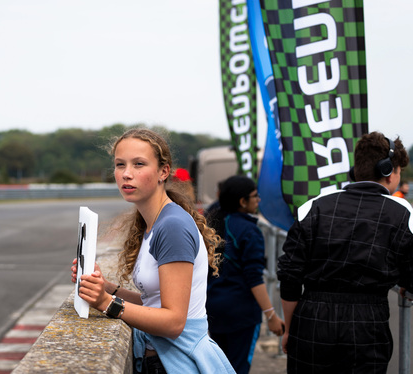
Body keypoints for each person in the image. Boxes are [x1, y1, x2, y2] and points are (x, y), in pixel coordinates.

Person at [71, 128, 236, 374]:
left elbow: (174, 322)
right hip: (161, 359)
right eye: (120, 165)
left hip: (175, 363)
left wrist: (106, 302)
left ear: (163, 171)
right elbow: (155, 302)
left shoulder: (172, 226)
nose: (126, 174)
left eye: (139, 164)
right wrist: (106, 288)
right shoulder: (155, 222)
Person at [277, 131, 413, 373]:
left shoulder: (314, 206)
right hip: (368, 323)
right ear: (388, 171)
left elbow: (289, 274)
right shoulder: (403, 213)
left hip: (312, 320)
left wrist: (290, 329)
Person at [206, 175, 284, 374]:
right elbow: (254, 278)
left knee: (219, 368)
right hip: (242, 315)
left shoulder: (212, 223)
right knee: (238, 368)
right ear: (242, 201)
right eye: (255, 196)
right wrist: (271, 315)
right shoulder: (249, 231)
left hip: (214, 310)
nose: (259, 200)